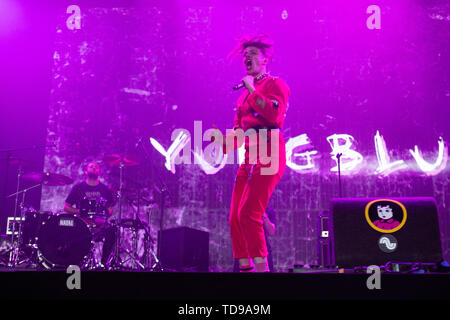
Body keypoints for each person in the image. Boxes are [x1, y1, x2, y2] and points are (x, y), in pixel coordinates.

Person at [224, 34, 290, 272]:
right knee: (235, 218)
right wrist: (221, 143)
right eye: (245, 54)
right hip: (249, 157)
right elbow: (237, 134)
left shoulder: (276, 85)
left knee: (250, 214)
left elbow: (273, 115)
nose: (247, 57)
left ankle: (262, 271)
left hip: (270, 152)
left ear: (265, 60)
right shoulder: (242, 98)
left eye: (252, 53)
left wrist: (252, 88)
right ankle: (246, 269)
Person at [64, 161, 116, 267]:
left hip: (99, 224)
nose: (94, 168)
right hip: (82, 223)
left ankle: (104, 264)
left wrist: (105, 215)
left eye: (96, 167)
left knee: (112, 231)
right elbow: (66, 207)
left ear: (99, 171)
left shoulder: (104, 189)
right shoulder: (78, 187)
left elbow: (110, 209)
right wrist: (79, 211)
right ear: (86, 171)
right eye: (91, 167)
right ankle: (75, 262)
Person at [233, 206, 276, 272]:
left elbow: (271, 232)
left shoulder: (268, 210)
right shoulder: (240, 207)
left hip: (262, 250)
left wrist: (263, 216)